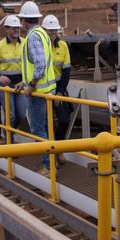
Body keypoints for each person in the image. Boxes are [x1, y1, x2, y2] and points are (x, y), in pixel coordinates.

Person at [16, 1, 56, 175]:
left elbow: (39, 65)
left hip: (39, 92)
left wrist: (31, 85)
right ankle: (54, 159)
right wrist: (24, 82)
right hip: (47, 90)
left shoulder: (33, 36)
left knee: (38, 129)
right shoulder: (43, 34)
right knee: (46, 128)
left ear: (24, 20)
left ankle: (48, 166)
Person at [0, 15, 27, 131]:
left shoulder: (25, 44)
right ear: (6, 29)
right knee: (11, 114)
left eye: (17, 28)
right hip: (5, 86)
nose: (16, 30)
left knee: (21, 114)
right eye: (13, 28)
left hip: (20, 84)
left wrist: (25, 81)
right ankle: (9, 139)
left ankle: (10, 132)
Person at [42, 14, 71, 164]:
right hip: (44, 90)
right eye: (50, 31)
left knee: (64, 120)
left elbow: (66, 72)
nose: (53, 34)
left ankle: (58, 148)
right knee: (47, 124)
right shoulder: (41, 48)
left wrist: (60, 92)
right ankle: (51, 155)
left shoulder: (63, 46)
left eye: (55, 31)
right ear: (44, 31)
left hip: (59, 89)